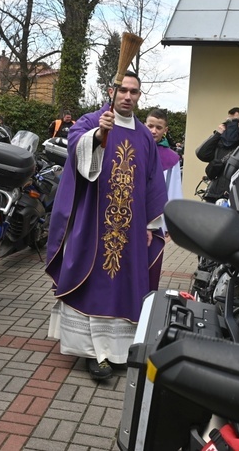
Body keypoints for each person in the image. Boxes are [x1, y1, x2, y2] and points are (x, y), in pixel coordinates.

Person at [46, 71, 168, 381]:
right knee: (93, 283)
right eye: (123, 90)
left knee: (126, 284)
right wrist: (98, 137)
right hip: (95, 224)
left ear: (140, 96)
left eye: (134, 92)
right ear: (112, 92)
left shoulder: (143, 136)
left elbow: (154, 180)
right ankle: (92, 352)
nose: (128, 96)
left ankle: (119, 350)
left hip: (132, 227)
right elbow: (76, 149)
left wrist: (151, 224)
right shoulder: (92, 121)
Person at [195, 107, 239, 202]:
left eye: (235, 119)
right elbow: (202, 154)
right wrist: (217, 134)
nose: (232, 123)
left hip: (236, 195)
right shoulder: (221, 138)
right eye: (230, 120)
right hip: (214, 192)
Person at [145, 108, 182, 236]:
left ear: (165, 130)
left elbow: (174, 191)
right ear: (144, 125)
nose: (153, 131)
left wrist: (170, 224)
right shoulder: (133, 150)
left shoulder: (171, 159)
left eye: (158, 128)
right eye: (150, 126)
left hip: (156, 215)